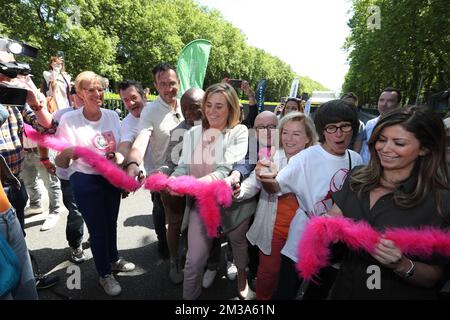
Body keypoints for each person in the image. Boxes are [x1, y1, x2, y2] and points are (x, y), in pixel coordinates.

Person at [328, 106, 450, 299]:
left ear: (424, 148)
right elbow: (334, 217)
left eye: (399, 143)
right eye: (382, 140)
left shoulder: (440, 203)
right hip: (344, 288)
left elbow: (434, 275)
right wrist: (326, 228)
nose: (385, 149)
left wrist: (402, 264)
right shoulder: (357, 177)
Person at [256, 99, 362, 299]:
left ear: (353, 128)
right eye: (331, 128)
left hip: (334, 245)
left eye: (345, 126)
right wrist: (264, 178)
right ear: (322, 130)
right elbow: (275, 188)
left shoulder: (355, 160)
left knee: (318, 293)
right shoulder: (305, 158)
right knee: (286, 291)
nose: (338, 134)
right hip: (300, 240)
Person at [55, 71, 135, 296]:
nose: (97, 93)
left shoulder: (111, 115)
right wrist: (70, 151)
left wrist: (120, 165)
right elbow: (59, 160)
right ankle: (104, 274)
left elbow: (120, 147)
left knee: (111, 222)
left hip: (111, 178)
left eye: (100, 89)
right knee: (98, 229)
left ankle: (113, 258)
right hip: (85, 180)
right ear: (80, 93)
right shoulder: (70, 120)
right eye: (91, 89)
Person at [169, 82, 248, 300]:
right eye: (209, 105)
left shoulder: (239, 132)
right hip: (201, 205)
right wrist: (173, 182)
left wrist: (193, 185)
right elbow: (183, 167)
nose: (212, 111)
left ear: (231, 109)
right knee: (193, 261)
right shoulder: (193, 132)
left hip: (233, 207)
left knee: (238, 246)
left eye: (219, 106)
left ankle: (239, 275)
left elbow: (224, 170)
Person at [237, 111, 318, 299]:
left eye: (296, 134)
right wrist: (238, 192)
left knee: (291, 278)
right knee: (268, 273)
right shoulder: (273, 157)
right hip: (272, 230)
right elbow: (254, 181)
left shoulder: (315, 163)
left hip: (303, 233)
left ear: (308, 138)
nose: (289, 139)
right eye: (285, 132)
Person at [125, 63, 184, 260]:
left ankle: (182, 244)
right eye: (163, 84)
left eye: (172, 83)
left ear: (179, 82)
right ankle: (163, 242)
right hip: (161, 174)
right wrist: (132, 162)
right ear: (155, 86)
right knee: (161, 209)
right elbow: (142, 136)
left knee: (185, 213)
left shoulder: (188, 103)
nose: (169, 89)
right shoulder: (150, 111)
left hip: (188, 172)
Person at [159, 87, 204, 284]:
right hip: (178, 189)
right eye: (184, 108)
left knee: (195, 227)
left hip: (204, 188)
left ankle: (192, 258)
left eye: (194, 107)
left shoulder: (216, 127)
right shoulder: (179, 130)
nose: (188, 113)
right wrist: (163, 174)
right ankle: (174, 261)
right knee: (175, 224)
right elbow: (171, 161)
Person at [0, 104, 37, 300]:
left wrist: (35, 101)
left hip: (9, 196)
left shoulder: (14, 100)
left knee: (26, 286)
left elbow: (45, 127)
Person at [50, 82, 86, 263]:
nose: (87, 97)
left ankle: (99, 241)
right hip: (69, 175)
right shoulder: (61, 115)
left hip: (94, 175)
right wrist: (44, 159)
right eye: (82, 93)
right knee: (76, 212)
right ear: (73, 96)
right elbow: (46, 137)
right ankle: (76, 245)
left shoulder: (100, 114)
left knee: (95, 211)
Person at [354, 87, 401, 164]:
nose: (384, 104)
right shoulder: (370, 123)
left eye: (390, 101)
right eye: (381, 100)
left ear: (398, 105)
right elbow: (364, 147)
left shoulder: (402, 127)